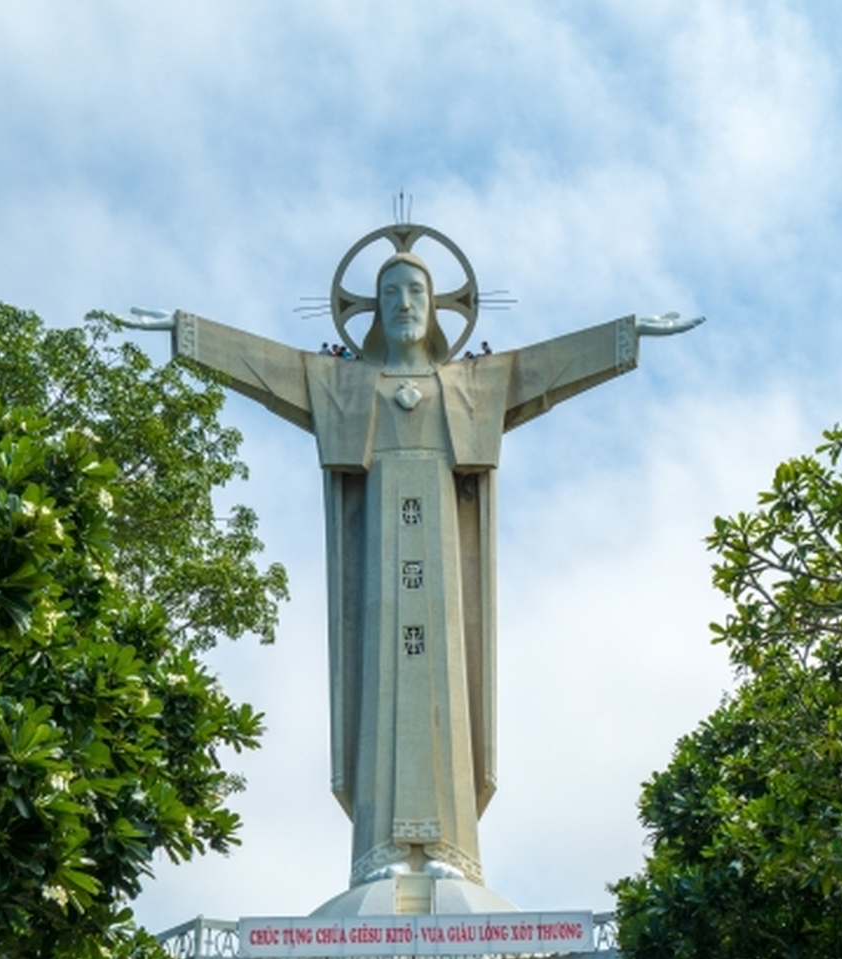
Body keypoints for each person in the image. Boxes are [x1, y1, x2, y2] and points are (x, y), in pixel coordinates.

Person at [129, 237, 700, 898]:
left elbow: (546, 369)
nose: (405, 304)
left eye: (417, 293)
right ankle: (382, 850)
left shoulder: (470, 385)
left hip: (443, 567)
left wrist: (627, 336)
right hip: (378, 562)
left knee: (443, 689)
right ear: (374, 308)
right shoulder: (345, 384)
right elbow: (264, 366)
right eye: (392, 293)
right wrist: (185, 331)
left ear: (437, 309)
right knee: (383, 685)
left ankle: (450, 851)